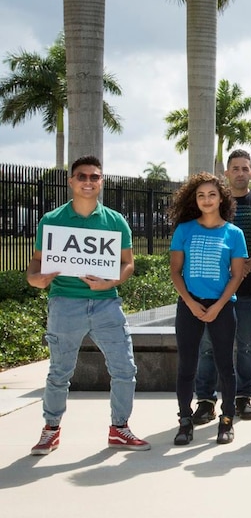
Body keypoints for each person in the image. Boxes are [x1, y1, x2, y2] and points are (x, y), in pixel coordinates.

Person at [27, 154, 150, 455]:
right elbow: (35, 266)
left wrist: (111, 282)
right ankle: (51, 429)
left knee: (124, 368)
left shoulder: (115, 221)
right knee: (59, 371)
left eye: (94, 177)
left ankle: (119, 428)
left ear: (101, 182)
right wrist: (37, 280)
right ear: (71, 181)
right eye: (82, 176)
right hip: (65, 303)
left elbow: (128, 264)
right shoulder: (52, 221)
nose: (88, 181)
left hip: (106, 304)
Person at [192, 149, 251, 425]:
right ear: (226, 173)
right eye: (235, 168)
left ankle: (243, 398)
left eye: (245, 168)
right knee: (207, 347)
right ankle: (205, 401)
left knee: (248, 346)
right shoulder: (215, 201)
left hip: (250, 289)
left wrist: (246, 266)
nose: (240, 173)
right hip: (213, 291)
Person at [168, 172, 248, 446]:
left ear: (221, 198)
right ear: (194, 199)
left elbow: (236, 276)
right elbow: (175, 272)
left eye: (211, 194)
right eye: (201, 195)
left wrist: (218, 306)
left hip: (222, 307)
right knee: (186, 366)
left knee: (225, 365)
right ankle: (185, 421)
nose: (206, 199)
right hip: (189, 304)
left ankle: (226, 421)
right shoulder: (185, 230)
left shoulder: (234, 233)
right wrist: (190, 302)